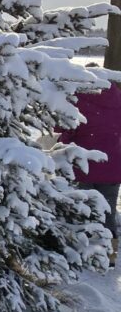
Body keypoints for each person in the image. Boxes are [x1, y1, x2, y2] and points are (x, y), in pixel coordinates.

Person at [59, 81, 121, 268]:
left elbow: (66, 131)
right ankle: (109, 254)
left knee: (80, 210)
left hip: (82, 165)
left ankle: (81, 252)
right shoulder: (119, 99)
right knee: (107, 211)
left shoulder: (78, 101)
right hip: (113, 165)